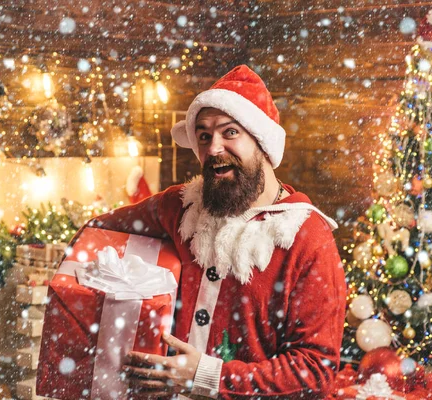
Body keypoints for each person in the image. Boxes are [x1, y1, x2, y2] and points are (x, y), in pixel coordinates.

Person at [91, 65, 346, 399]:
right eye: (204, 135)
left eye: (230, 133)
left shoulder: (306, 238)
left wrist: (208, 376)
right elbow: (98, 231)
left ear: (261, 141)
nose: (213, 148)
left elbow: (316, 370)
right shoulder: (180, 207)